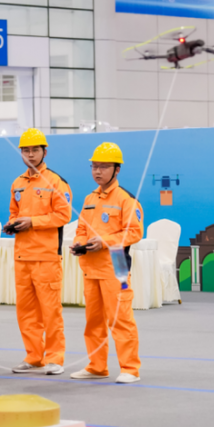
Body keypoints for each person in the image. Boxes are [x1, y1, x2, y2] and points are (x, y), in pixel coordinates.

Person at [70, 142, 143, 383]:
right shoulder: (90, 198)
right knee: (93, 322)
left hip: (117, 266)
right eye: (94, 166)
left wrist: (104, 242)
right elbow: (81, 228)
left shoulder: (126, 199)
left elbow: (134, 232)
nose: (97, 171)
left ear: (117, 169)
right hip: (91, 266)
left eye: (103, 166)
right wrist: (79, 243)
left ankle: (130, 369)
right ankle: (97, 366)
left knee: (120, 319)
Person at [4, 128, 72, 375]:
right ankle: (34, 356)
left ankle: (55, 358)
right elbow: (14, 212)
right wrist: (12, 224)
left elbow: (63, 215)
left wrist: (32, 222)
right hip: (22, 256)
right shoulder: (18, 183)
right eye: (26, 150)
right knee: (26, 312)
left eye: (35, 150)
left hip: (46, 256)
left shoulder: (56, 182)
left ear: (45, 152)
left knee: (50, 311)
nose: (30, 154)